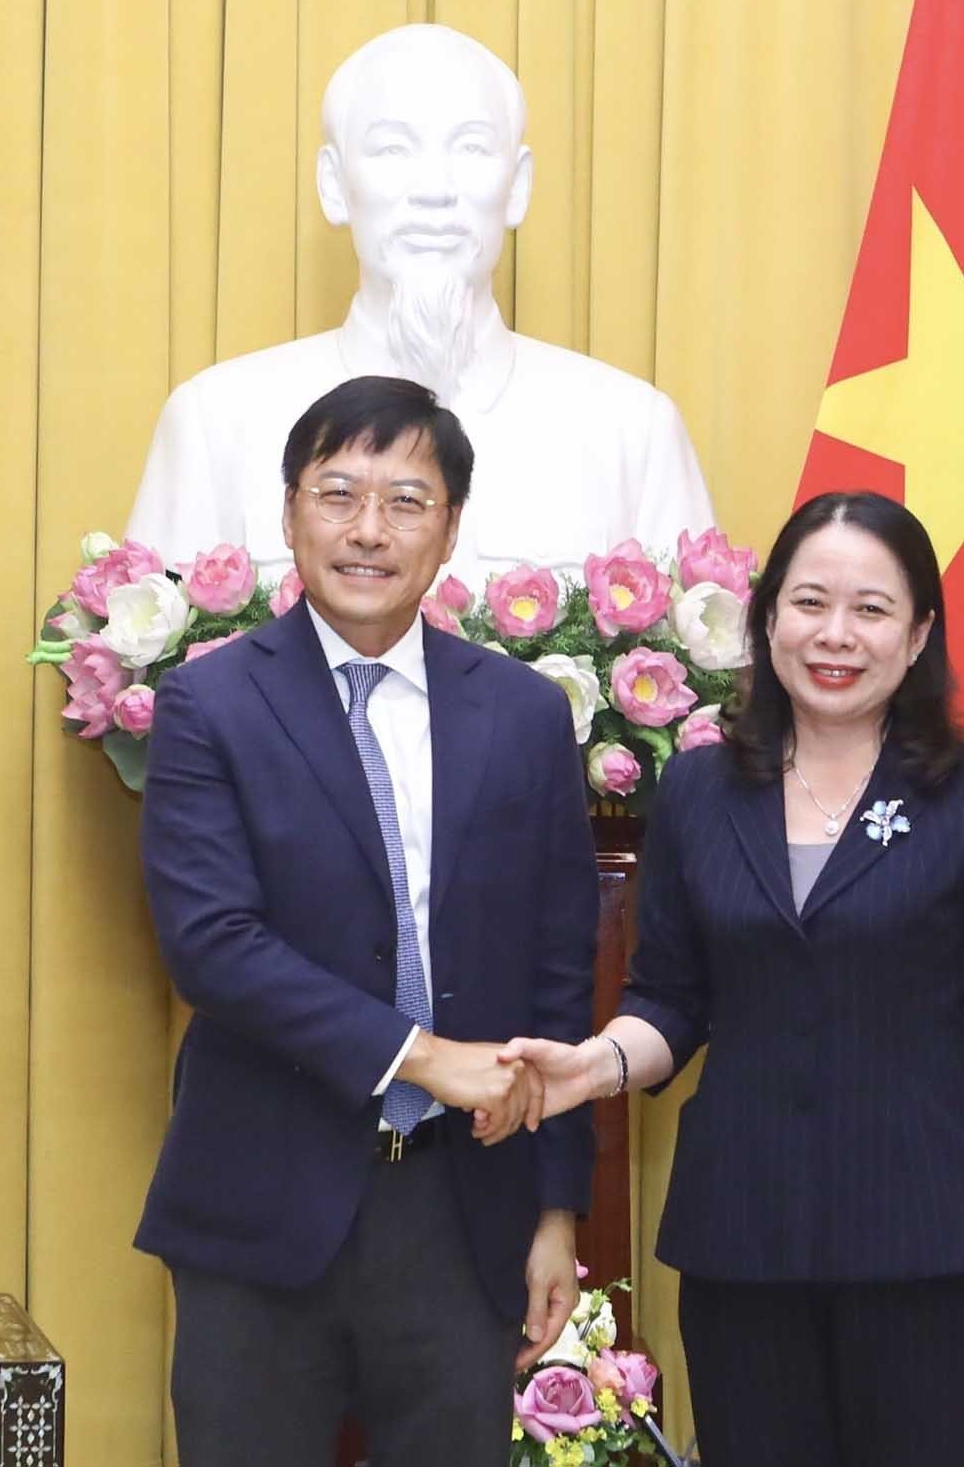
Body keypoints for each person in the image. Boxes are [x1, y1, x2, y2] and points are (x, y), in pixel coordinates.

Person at [501, 492, 964, 1465]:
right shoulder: (699, 790)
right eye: (810, 602)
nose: (835, 634)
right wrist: (595, 1065)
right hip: (743, 1244)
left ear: (919, 634)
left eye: (871, 609)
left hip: (931, 1249)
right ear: (767, 620)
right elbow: (670, 998)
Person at [135, 374, 599, 1466]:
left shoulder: (525, 714)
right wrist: (424, 1056)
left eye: (405, 501)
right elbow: (214, 946)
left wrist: (556, 1212)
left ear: (451, 530)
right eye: (338, 494)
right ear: (290, 511)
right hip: (263, 1202)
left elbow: (559, 972)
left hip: (461, 1207)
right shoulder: (210, 706)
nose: (368, 530)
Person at [125, 22, 716, 585]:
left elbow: (702, 653)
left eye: (472, 148)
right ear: (333, 184)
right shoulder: (217, 422)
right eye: (392, 150)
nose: (435, 190)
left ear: (517, 187)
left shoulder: (631, 432)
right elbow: (151, 653)